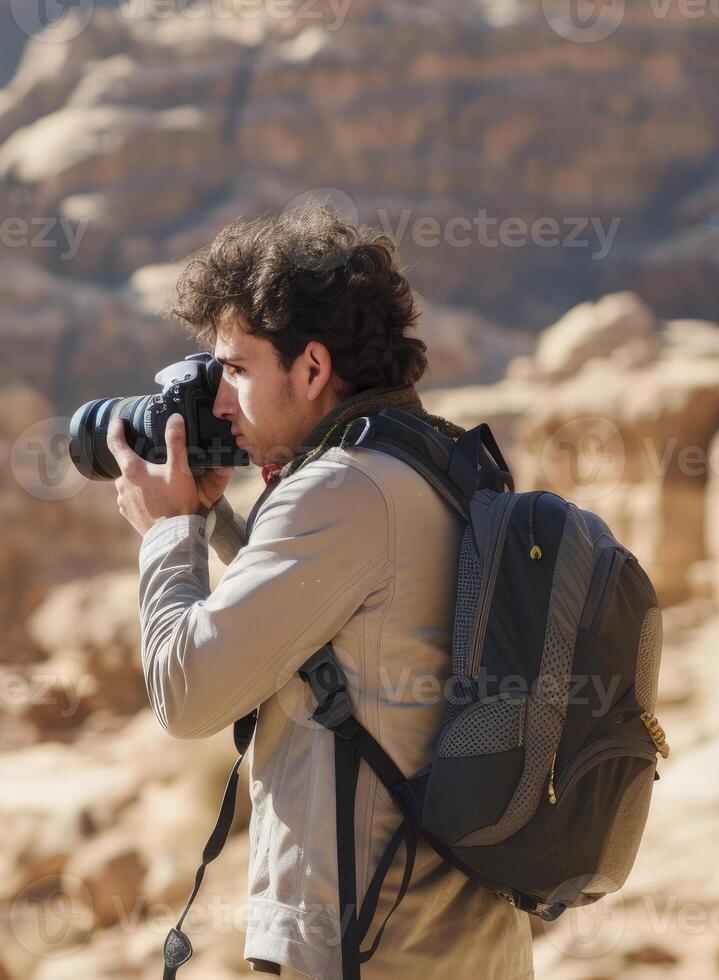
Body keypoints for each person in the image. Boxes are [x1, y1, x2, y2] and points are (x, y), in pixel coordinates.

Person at [106, 203, 534, 978]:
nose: (220, 397)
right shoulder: (425, 460)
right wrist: (211, 517)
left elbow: (187, 692)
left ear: (310, 369)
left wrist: (166, 533)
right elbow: (328, 620)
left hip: (366, 950)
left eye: (235, 368)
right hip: (451, 945)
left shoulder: (342, 490)